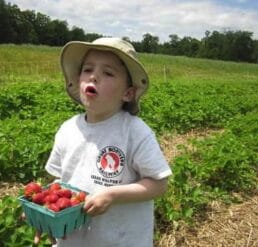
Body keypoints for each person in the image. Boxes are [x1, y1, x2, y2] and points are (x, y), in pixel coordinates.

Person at [39, 37, 172, 247]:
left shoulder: (135, 132)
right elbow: (60, 182)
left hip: (121, 241)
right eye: (87, 69)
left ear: (128, 93)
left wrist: (112, 194)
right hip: (73, 241)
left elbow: (159, 184)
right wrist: (44, 210)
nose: (94, 76)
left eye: (108, 73)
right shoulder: (67, 130)